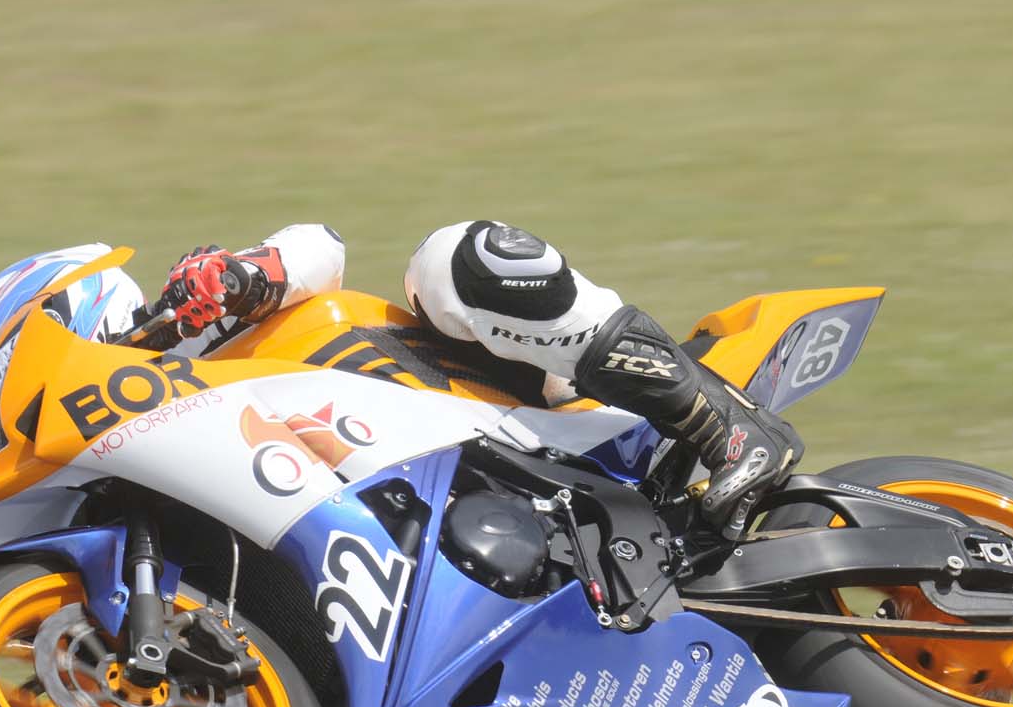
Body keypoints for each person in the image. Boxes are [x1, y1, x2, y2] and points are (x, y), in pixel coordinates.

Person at [129, 220, 802, 533]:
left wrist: (245, 276)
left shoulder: (201, 326)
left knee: (458, 258)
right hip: (427, 515)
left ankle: (727, 429)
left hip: (506, 411)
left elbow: (321, 245)